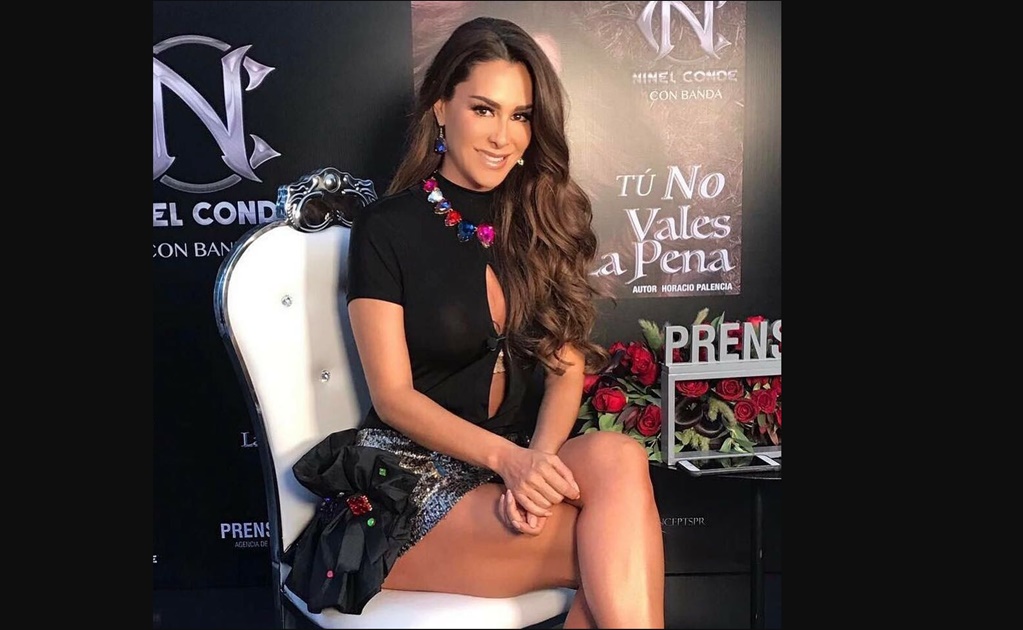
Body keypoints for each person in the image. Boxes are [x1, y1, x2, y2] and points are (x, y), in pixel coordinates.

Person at [346, 16, 665, 629]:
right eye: (483, 109)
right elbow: (393, 398)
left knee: (620, 460)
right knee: (618, 545)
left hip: (515, 463)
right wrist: (509, 462)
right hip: (415, 480)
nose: (503, 136)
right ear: (441, 108)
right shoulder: (386, 229)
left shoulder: (541, 221)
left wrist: (536, 466)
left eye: (520, 116)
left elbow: (566, 368)